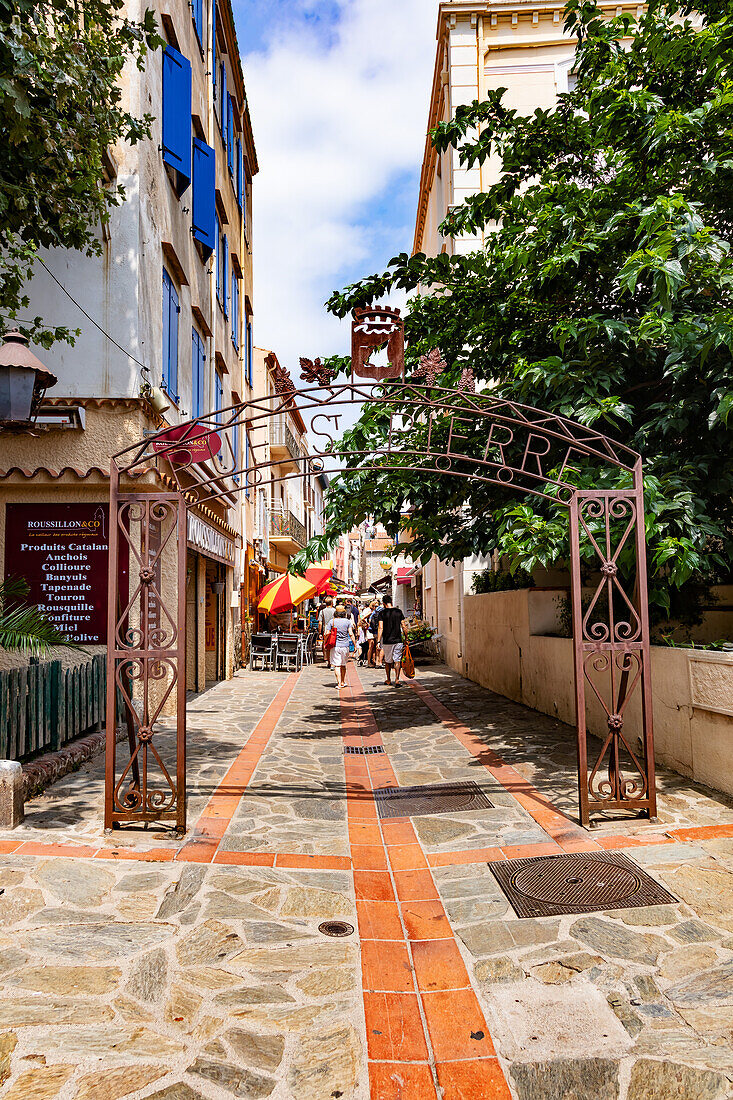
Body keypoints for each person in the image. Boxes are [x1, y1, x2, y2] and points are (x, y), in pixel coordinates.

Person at [376, 594, 406, 687]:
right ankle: (397, 680)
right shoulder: (399, 612)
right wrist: (406, 637)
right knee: (397, 660)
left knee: (388, 661)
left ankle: (388, 679)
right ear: (391, 602)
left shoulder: (382, 613)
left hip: (387, 640)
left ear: (384, 603)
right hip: (398, 639)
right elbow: (404, 626)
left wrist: (378, 641)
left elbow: (380, 627)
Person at [330, 603, 356, 689]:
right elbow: (351, 633)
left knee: (337, 665)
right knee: (343, 665)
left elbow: (326, 633)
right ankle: (342, 681)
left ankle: (338, 684)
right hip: (345, 645)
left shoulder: (332, 621)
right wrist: (355, 644)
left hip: (335, 645)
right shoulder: (347, 621)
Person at [318, 596, 335, 663]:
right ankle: (331, 659)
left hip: (325, 629)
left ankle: (326, 657)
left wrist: (320, 632)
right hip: (333, 629)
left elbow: (320, 623)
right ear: (331, 603)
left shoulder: (322, 611)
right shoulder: (335, 611)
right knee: (332, 644)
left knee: (325, 644)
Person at [367, 600, 380, 666]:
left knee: (375, 647)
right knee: (371, 646)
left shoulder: (375, 613)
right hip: (371, 631)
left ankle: (374, 661)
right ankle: (369, 662)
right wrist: (368, 624)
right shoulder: (371, 613)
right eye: (376, 606)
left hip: (373, 630)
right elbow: (363, 619)